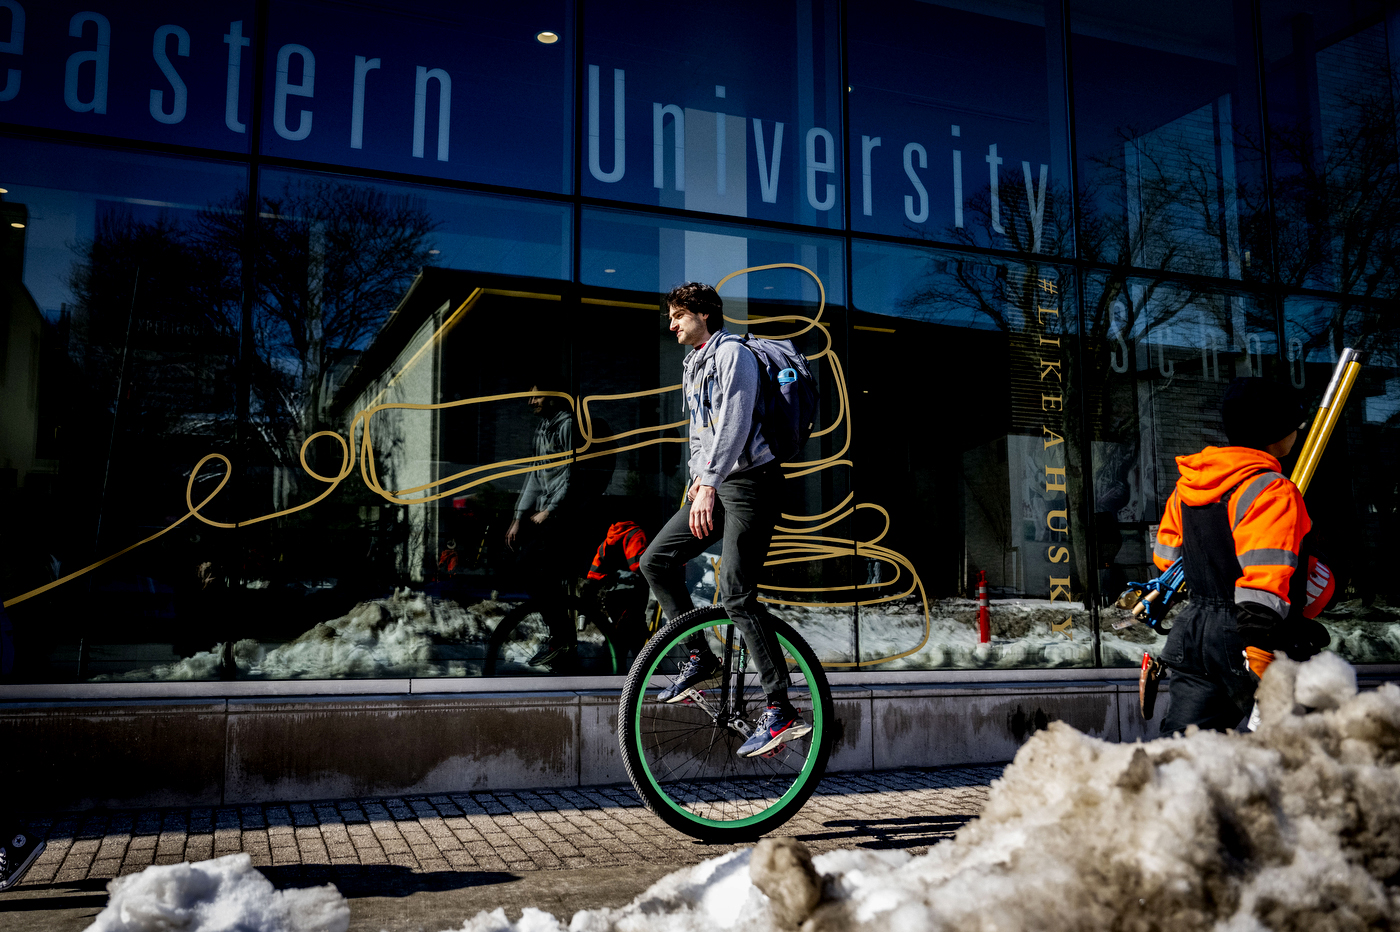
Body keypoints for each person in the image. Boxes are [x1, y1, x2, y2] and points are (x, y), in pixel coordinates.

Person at [638, 281, 810, 758]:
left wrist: (710, 482)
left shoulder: (733, 354)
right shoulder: (695, 363)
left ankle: (780, 709)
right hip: (714, 485)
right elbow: (700, 432)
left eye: (678, 315)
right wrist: (698, 482)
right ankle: (700, 658)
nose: (671, 324)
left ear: (703, 314)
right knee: (654, 561)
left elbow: (734, 422)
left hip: (751, 483)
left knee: (736, 593)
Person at [1154, 377, 1331, 734]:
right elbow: (1263, 585)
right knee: (1299, 752)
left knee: (1186, 749)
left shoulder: (1188, 486)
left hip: (1192, 632)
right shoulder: (1273, 491)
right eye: (1295, 428)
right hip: (1248, 637)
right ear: (1278, 433)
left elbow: (1166, 559)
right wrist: (1262, 654)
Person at [505, 385, 580, 669]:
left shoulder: (568, 426)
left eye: (537, 396)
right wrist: (518, 516)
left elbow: (575, 473)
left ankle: (562, 637)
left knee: (532, 564)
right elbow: (536, 474)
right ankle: (560, 639)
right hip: (546, 511)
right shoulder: (543, 429)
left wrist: (551, 509)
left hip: (563, 513)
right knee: (532, 568)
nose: (530, 401)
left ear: (553, 395)